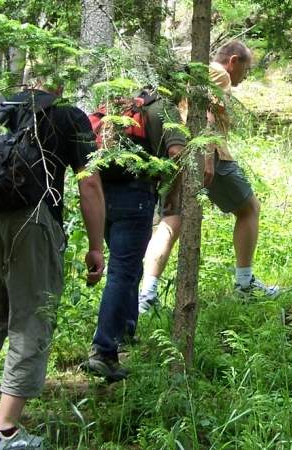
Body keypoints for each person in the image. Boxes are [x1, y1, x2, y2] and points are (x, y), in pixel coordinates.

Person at [0, 78, 105, 450]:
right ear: (56, 88)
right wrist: (95, 246)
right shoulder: (67, 116)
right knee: (31, 318)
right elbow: (88, 184)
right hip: (34, 222)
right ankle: (6, 431)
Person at [138, 40, 279, 313]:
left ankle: (147, 295)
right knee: (249, 208)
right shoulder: (219, 73)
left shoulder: (194, 73)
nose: (244, 76)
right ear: (233, 61)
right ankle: (244, 284)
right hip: (208, 154)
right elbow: (206, 111)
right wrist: (206, 153)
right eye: (246, 69)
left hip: (175, 148)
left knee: (170, 220)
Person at [81, 88, 188, 381]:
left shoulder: (112, 102)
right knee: (122, 272)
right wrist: (172, 191)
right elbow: (177, 153)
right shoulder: (162, 107)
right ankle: (103, 351)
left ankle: (126, 330)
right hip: (136, 196)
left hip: (102, 197)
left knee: (126, 267)